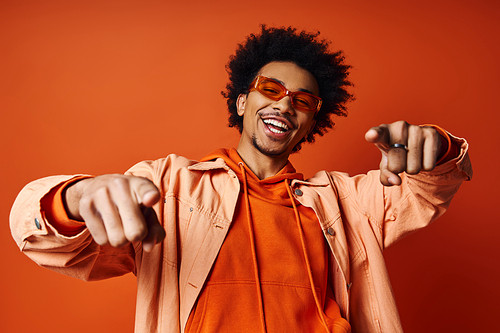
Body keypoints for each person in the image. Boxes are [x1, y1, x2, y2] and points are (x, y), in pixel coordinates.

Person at [10, 26, 472, 333]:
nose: (286, 104)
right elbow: (61, 247)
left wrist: (439, 149)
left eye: (304, 101)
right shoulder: (168, 185)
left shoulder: (346, 200)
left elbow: (424, 192)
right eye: (271, 90)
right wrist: (74, 198)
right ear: (241, 102)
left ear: (311, 123)